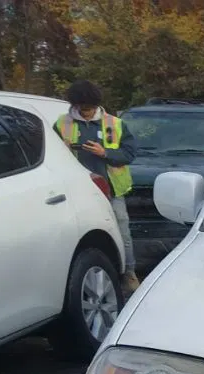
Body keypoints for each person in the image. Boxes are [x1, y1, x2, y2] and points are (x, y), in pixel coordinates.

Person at [54, 80, 140, 296]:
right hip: (76, 191)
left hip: (110, 191)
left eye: (89, 108)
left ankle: (128, 274)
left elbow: (129, 155)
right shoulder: (62, 124)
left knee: (122, 233)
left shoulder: (115, 123)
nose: (86, 112)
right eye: (82, 108)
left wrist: (105, 153)